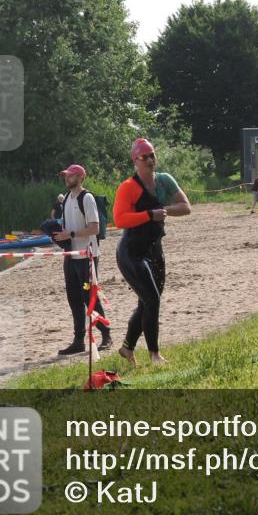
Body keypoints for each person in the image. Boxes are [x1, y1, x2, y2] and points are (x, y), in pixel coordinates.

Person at [114, 138, 192, 366]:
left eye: (152, 155)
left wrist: (163, 210)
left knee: (147, 302)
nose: (149, 160)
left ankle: (127, 348)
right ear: (135, 161)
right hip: (131, 252)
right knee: (152, 300)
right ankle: (155, 355)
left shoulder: (164, 180)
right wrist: (149, 215)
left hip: (155, 249)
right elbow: (120, 220)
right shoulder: (128, 187)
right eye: (144, 157)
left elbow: (185, 207)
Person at [52, 164, 112, 356]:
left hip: (87, 256)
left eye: (69, 176)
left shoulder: (87, 198)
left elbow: (94, 228)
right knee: (74, 299)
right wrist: (58, 234)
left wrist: (69, 234)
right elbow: (68, 227)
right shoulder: (67, 198)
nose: (66, 179)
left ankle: (106, 334)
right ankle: (78, 341)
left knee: (90, 298)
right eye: (65, 176)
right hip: (70, 256)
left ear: (80, 177)